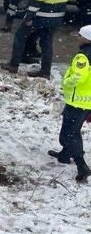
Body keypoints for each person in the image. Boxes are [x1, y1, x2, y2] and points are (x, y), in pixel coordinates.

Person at [46, 25, 91, 182]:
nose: (78, 38)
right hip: (87, 102)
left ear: (87, 39)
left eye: (80, 36)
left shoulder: (83, 57)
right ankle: (65, 155)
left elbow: (77, 77)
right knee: (72, 130)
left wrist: (66, 82)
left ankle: (82, 166)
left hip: (77, 101)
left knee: (70, 133)